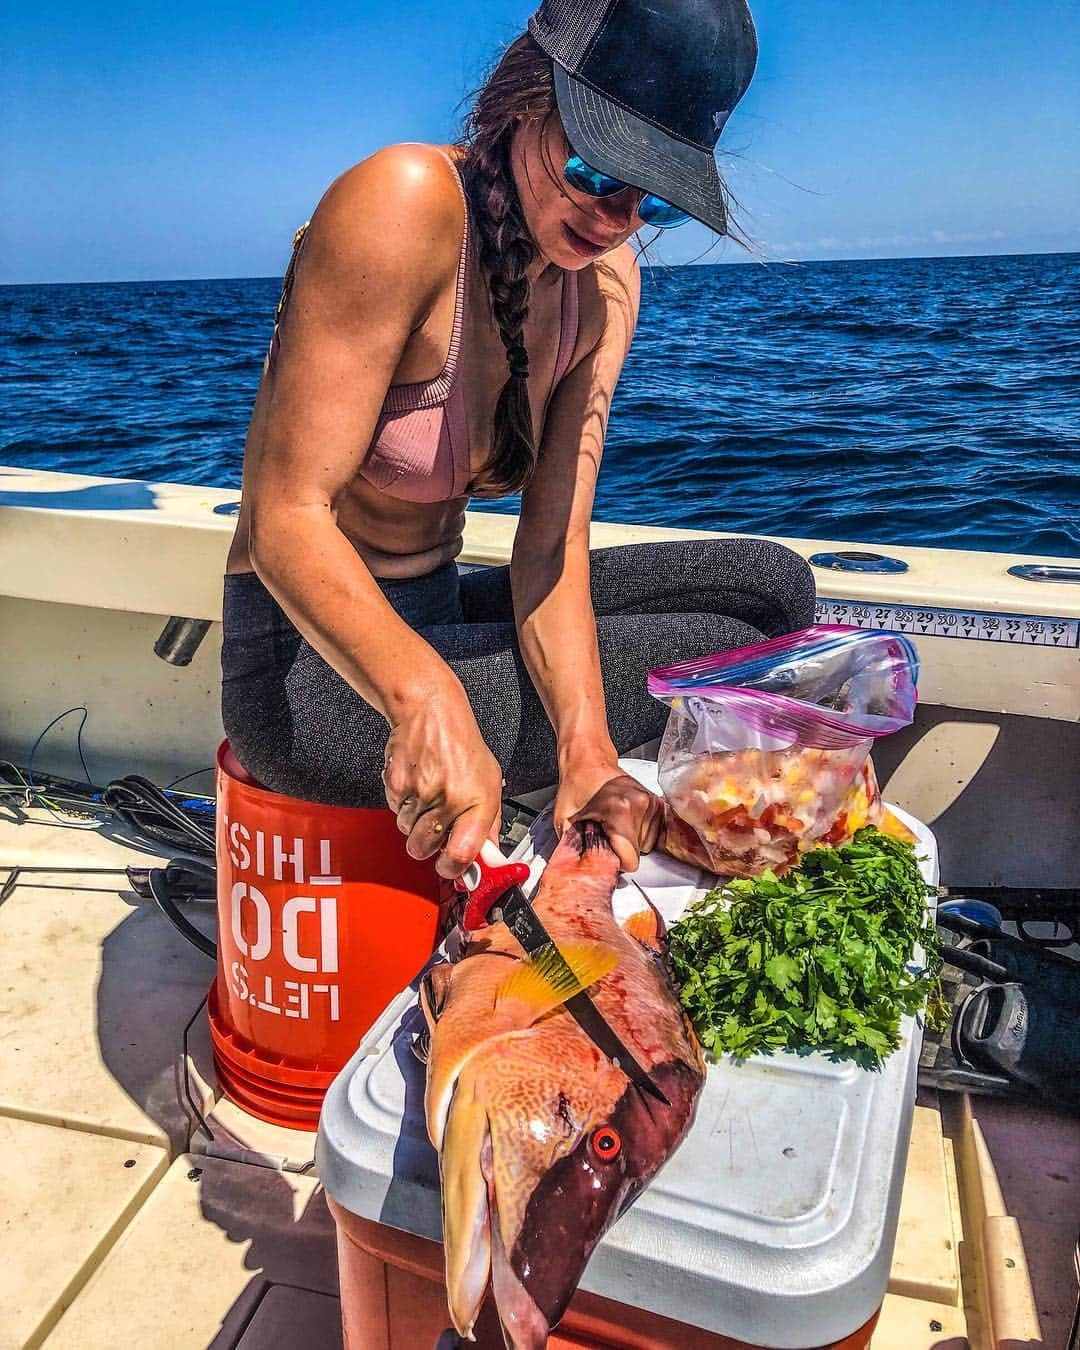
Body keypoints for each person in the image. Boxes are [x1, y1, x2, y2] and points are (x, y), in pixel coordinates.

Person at [221, 0, 815, 881]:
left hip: (440, 610)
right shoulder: (403, 202)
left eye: (654, 201)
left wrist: (588, 756)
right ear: (521, 97)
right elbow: (284, 517)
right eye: (595, 170)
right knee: (730, 657)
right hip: (309, 676)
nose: (616, 219)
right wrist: (427, 695)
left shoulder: (604, 283)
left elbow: (550, 549)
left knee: (771, 596)